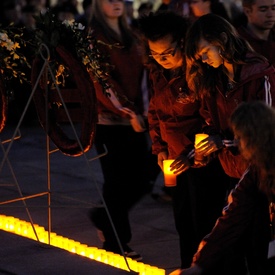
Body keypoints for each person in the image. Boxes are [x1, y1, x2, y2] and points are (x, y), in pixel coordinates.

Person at [138, 11, 232, 274]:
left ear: (182, 42)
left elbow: (209, 121)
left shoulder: (199, 74)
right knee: (183, 222)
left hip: (204, 163)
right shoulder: (157, 73)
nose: (162, 59)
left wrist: (191, 154)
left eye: (167, 52)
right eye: (155, 54)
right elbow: (155, 113)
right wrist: (159, 149)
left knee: (206, 223)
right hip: (175, 161)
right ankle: (186, 268)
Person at [87, 0, 151, 261]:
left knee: (145, 177)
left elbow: (145, 74)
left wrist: (144, 112)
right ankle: (116, 241)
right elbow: (101, 80)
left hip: (136, 119)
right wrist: (128, 110)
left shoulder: (133, 35)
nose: (116, 3)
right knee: (116, 182)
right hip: (109, 122)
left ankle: (103, 217)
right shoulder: (94, 38)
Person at [180, 101, 275, 275]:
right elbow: (233, 215)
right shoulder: (255, 171)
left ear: (255, 136)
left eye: (240, 137)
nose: (236, 142)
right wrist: (199, 264)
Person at [185, 13, 275, 181]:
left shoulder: (259, 74)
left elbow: (265, 129)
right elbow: (209, 120)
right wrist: (204, 147)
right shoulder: (214, 79)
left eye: (206, 51)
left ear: (223, 39)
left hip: (260, 171)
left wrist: (222, 142)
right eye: (200, 56)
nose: (204, 60)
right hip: (231, 169)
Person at [237, 0, 275, 67]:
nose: (270, 14)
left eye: (274, 9)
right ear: (247, 11)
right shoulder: (237, 42)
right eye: (263, 10)